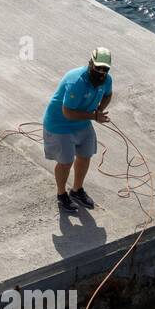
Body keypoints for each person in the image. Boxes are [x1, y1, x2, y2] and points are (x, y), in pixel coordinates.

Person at [42, 47, 114, 213]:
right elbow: (67, 112)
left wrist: (99, 110)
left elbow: (108, 94)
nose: (101, 72)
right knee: (66, 161)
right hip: (60, 124)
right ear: (90, 63)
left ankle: (77, 190)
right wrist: (94, 117)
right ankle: (61, 194)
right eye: (98, 67)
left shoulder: (106, 80)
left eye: (105, 69)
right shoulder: (77, 82)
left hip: (82, 122)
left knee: (85, 155)